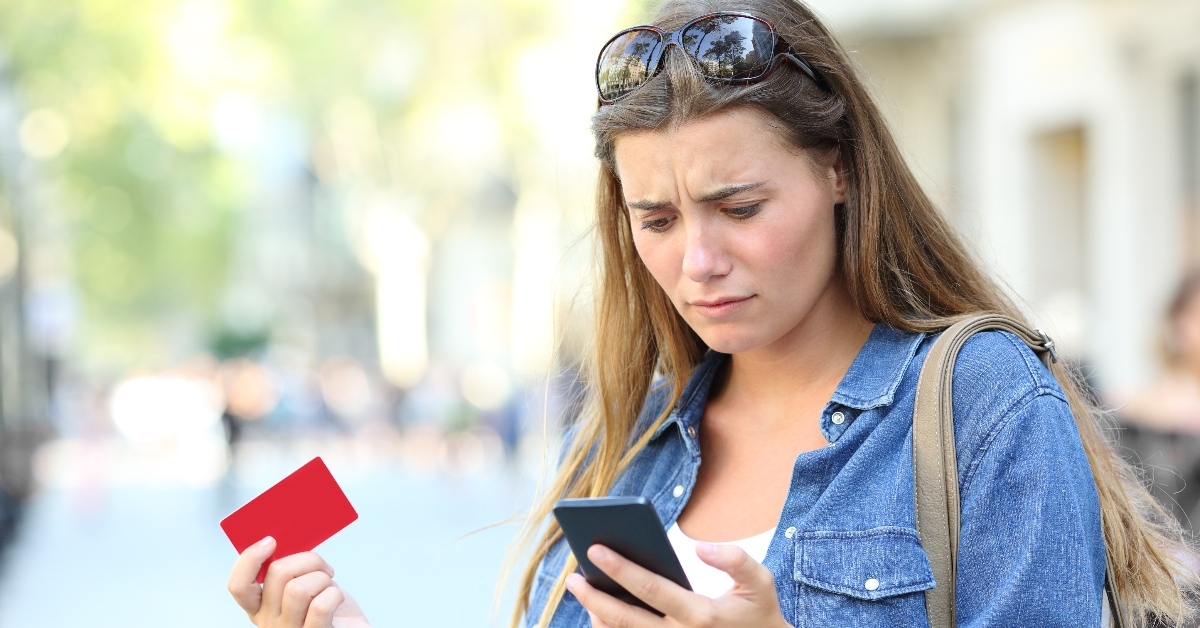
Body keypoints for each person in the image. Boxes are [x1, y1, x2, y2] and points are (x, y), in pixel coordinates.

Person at [226, 0, 1195, 627]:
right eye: (656, 218)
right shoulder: (630, 440)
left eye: (739, 208)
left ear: (839, 170)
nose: (697, 261)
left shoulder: (978, 401)